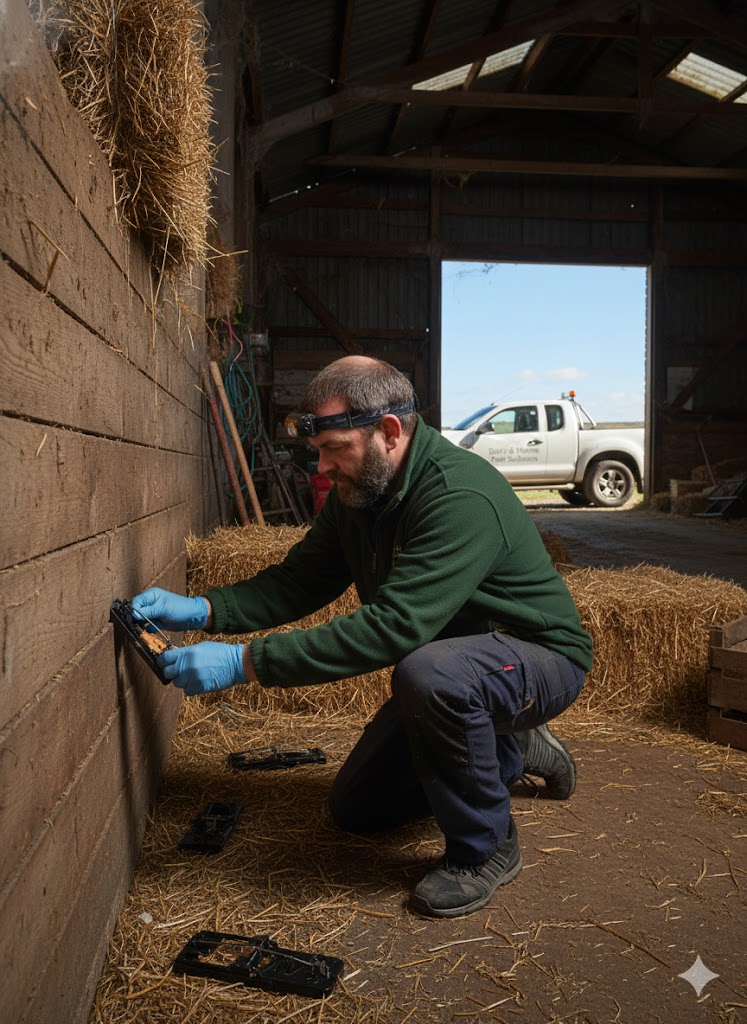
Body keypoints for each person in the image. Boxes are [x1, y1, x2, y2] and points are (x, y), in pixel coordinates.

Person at [132, 356, 592, 918]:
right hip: (450, 664)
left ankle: (486, 849)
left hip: (532, 657)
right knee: (358, 810)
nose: (323, 468)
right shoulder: (361, 494)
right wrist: (204, 609)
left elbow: (393, 627)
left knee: (427, 675)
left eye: (335, 449)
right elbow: (301, 579)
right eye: (318, 451)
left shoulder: (457, 495)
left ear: (390, 431)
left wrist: (244, 663)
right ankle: (510, 744)